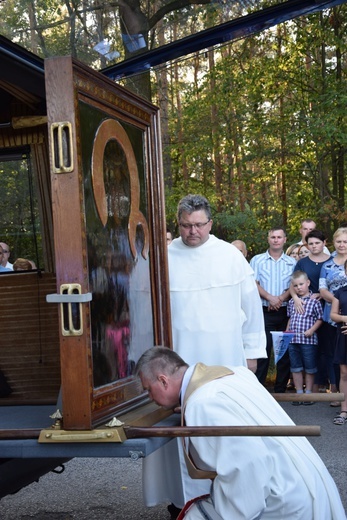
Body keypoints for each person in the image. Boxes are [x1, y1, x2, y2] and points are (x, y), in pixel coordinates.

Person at [144, 194, 267, 518]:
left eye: (199, 225)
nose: (192, 232)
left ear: (210, 223)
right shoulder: (163, 258)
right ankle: (179, 503)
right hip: (175, 362)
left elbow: (251, 308)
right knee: (177, 437)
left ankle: (232, 500)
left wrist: (252, 355)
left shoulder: (229, 256)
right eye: (186, 226)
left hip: (223, 359)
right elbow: (146, 310)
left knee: (224, 433)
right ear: (178, 224)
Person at [136, 347, 346, 520]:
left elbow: (248, 467)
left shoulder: (203, 403)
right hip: (304, 480)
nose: (149, 397)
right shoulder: (230, 374)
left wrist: (230, 514)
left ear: (163, 381)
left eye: (148, 389)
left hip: (284, 501)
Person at [250, 226, 296, 392]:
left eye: (279, 237)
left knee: (284, 353)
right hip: (264, 311)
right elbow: (253, 283)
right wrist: (270, 297)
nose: (276, 240)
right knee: (263, 351)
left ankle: (280, 390)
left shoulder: (292, 262)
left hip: (286, 313)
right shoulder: (257, 260)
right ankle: (259, 389)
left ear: (284, 240)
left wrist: (281, 299)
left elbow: (294, 284)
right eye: (273, 237)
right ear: (268, 239)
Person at [291, 230, 331, 394]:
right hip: (305, 309)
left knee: (325, 349)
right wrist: (295, 298)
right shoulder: (303, 263)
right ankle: (310, 389)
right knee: (308, 351)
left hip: (326, 309)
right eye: (311, 243)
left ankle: (329, 386)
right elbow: (293, 283)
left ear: (324, 243)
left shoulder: (331, 261)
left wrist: (322, 294)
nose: (314, 246)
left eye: (317, 243)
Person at [319, 228, 347, 408]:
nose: (342, 245)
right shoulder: (327, 265)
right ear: (334, 243)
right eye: (339, 241)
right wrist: (339, 301)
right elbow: (322, 290)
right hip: (333, 316)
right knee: (335, 358)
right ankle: (338, 394)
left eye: (345, 241)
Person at [287, 271, 323, 404]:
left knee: (309, 367)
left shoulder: (314, 302)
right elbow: (290, 318)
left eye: (301, 284)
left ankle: (308, 394)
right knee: (295, 367)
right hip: (293, 340)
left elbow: (320, 319)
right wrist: (287, 332)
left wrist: (311, 330)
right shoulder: (292, 302)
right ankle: (299, 393)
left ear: (307, 283)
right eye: (295, 285)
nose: (299, 288)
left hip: (308, 340)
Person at [330, 279, 347, 425]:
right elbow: (333, 315)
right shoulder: (340, 292)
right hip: (344, 335)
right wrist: (344, 318)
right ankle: (344, 410)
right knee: (344, 373)